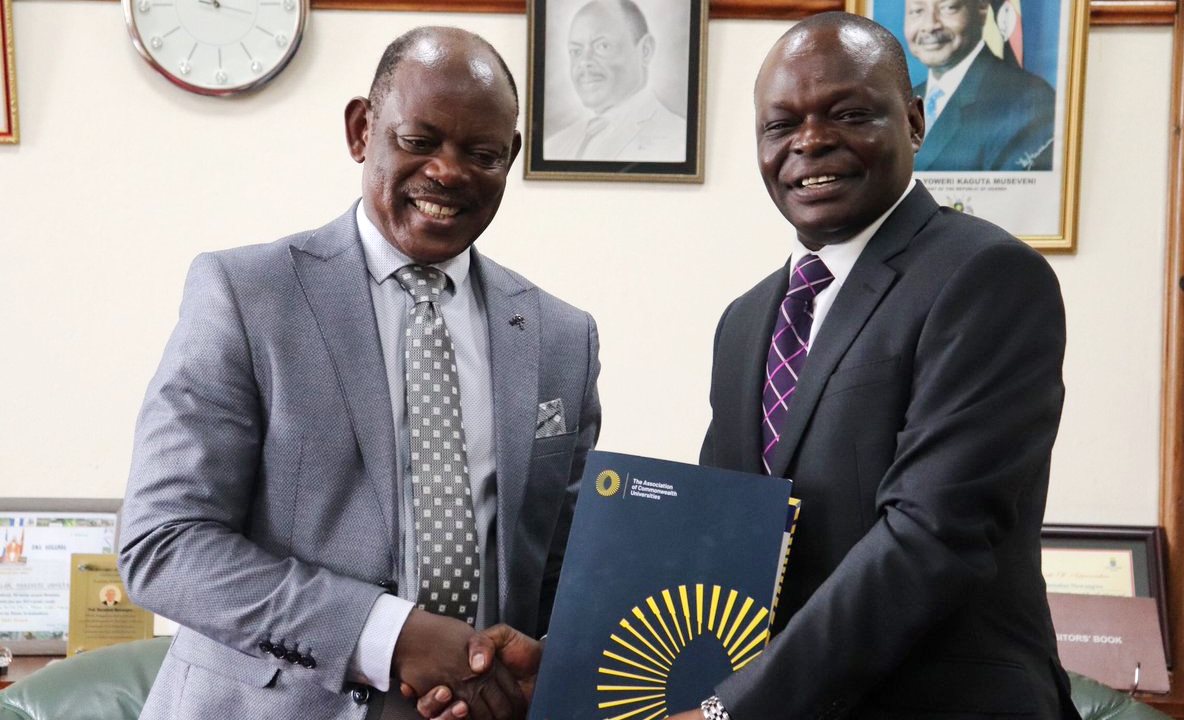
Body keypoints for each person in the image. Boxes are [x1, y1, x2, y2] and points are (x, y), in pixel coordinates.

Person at [117, 26, 601, 720]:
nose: (449, 171)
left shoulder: (562, 337)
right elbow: (163, 544)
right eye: (419, 140)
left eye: (482, 153)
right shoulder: (245, 295)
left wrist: (542, 662)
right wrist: (388, 633)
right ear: (360, 130)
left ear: (512, 157)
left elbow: (560, 565)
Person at [671, 12, 1078, 720]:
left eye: (849, 112)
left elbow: (931, 535)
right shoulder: (745, 321)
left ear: (915, 122)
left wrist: (731, 710)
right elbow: (723, 537)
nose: (811, 141)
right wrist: (571, 654)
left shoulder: (986, 277)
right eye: (780, 125)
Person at [905, 0, 1056, 171]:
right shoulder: (905, 101)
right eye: (917, 11)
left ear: (982, 7)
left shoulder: (1029, 102)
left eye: (948, 8)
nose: (930, 25)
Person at [543, 0, 686, 162]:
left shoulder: (678, 140)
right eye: (576, 51)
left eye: (602, 46)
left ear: (645, 51)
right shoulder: (553, 147)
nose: (584, 62)